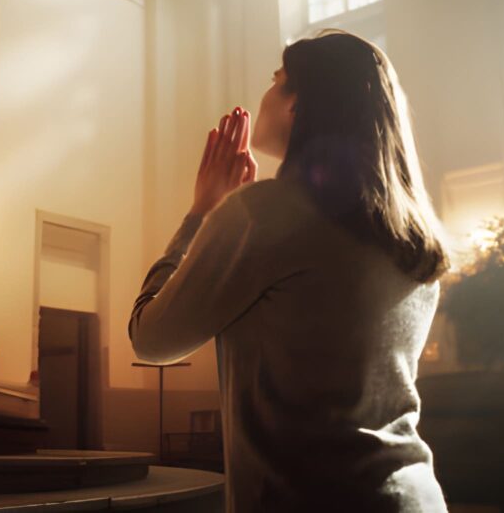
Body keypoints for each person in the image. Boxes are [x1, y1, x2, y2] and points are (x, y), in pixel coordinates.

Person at [127, 29, 455, 512]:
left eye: (276, 79)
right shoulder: (413, 233)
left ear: (299, 104)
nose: (265, 92)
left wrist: (201, 213)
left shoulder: (262, 214)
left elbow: (150, 339)